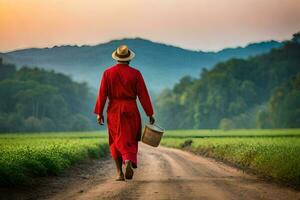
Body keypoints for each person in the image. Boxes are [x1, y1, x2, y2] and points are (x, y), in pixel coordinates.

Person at [94, 45, 155, 181]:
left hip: (114, 110)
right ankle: (128, 160)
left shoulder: (107, 73)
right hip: (131, 108)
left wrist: (99, 112)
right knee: (131, 138)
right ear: (129, 59)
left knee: (115, 139)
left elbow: (102, 94)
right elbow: (143, 95)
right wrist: (150, 113)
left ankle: (119, 174)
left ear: (116, 58)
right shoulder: (136, 73)